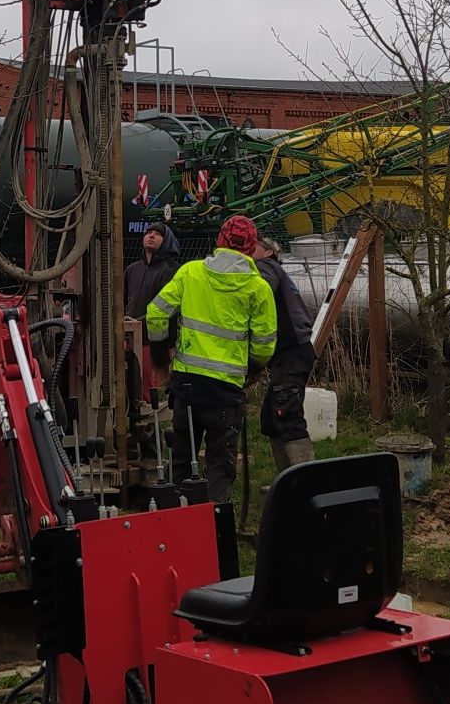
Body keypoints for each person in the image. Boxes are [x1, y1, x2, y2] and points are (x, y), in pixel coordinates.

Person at [145, 213, 278, 503]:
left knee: (182, 457)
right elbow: (265, 346)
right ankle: (218, 528)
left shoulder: (191, 272)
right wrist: (251, 370)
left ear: (219, 240)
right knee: (220, 462)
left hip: (187, 385)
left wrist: (160, 354)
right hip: (226, 391)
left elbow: (155, 313)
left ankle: (179, 524)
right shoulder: (258, 289)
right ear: (251, 248)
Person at [252, 227, 316, 466]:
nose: (248, 251)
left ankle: (304, 478)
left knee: (286, 415)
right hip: (291, 352)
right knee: (271, 418)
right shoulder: (278, 270)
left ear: (268, 251)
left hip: (292, 351)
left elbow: (259, 291)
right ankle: (286, 478)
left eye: (254, 246)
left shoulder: (265, 268)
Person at [123, 220, 180, 420]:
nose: (151, 236)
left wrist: (168, 344)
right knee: (128, 391)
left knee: (148, 393)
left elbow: (171, 310)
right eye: (148, 233)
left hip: (152, 342)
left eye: (157, 234)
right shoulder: (131, 270)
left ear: (166, 242)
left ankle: (149, 438)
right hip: (129, 339)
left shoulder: (170, 270)